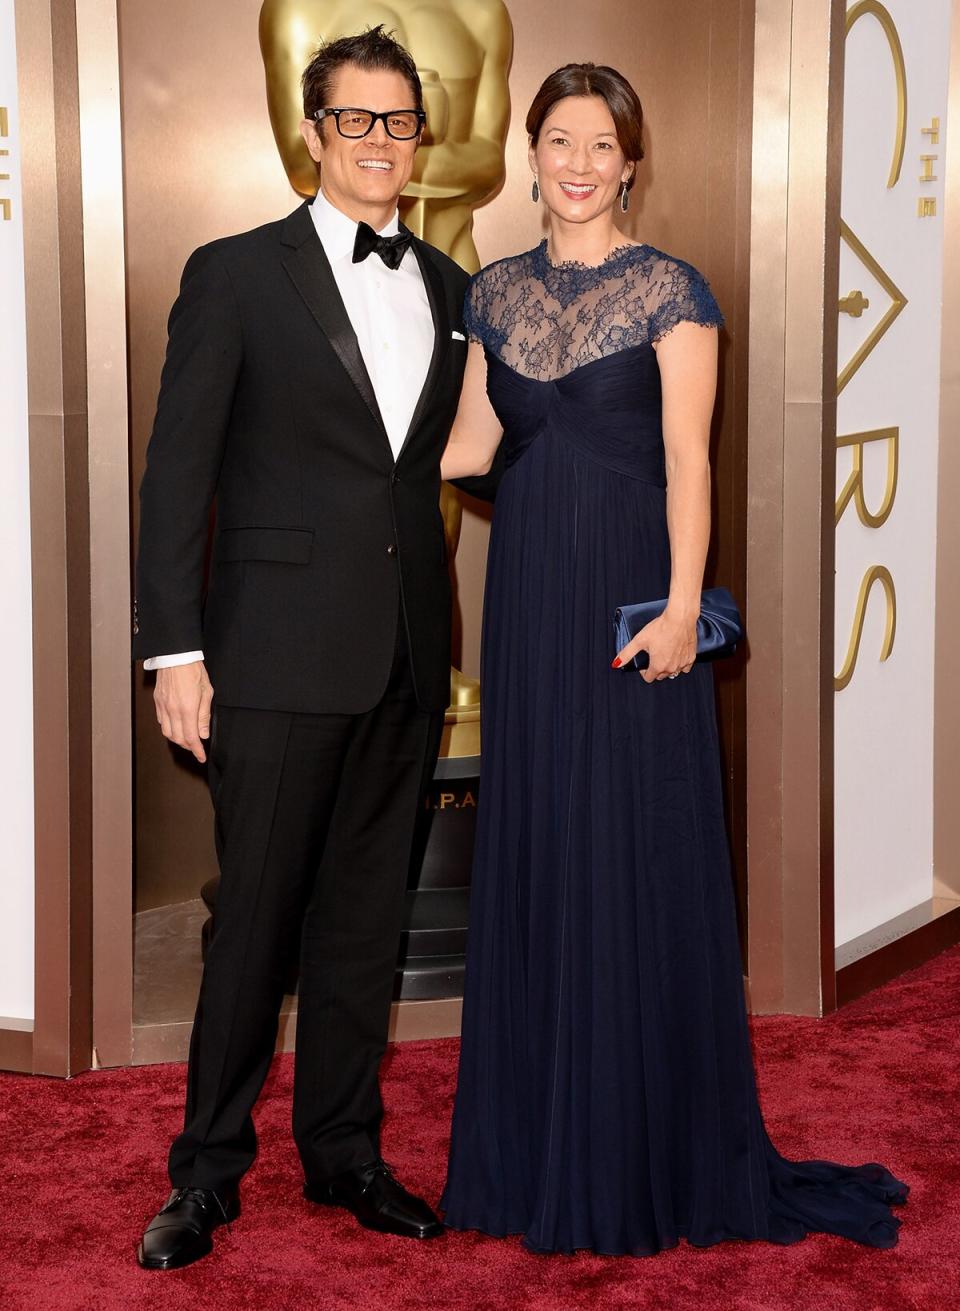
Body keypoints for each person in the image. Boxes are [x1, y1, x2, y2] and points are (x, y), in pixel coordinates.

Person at [438, 62, 907, 1257]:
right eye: (559, 141)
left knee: (629, 847)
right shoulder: (493, 291)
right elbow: (472, 445)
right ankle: (540, 1138)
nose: (580, 163)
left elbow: (691, 463)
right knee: (543, 842)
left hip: (635, 597)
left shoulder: (671, 290)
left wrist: (683, 613)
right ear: (531, 153)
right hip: (531, 601)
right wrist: (334, 433)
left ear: (631, 160)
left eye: (602, 144)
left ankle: (647, 1142)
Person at [134, 26, 493, 1270]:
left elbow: (448, 459)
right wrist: (174, 651)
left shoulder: (451, 290)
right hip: (272, 655)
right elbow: (177, 472)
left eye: (400, 123)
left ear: (418, 138)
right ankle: (206, 1176)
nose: (381, 144)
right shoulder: (235, 273)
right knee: (255, 931)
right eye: (357, 121)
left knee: (361, 928)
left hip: (403, 655)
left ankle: (344, 1153)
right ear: (313, 132)